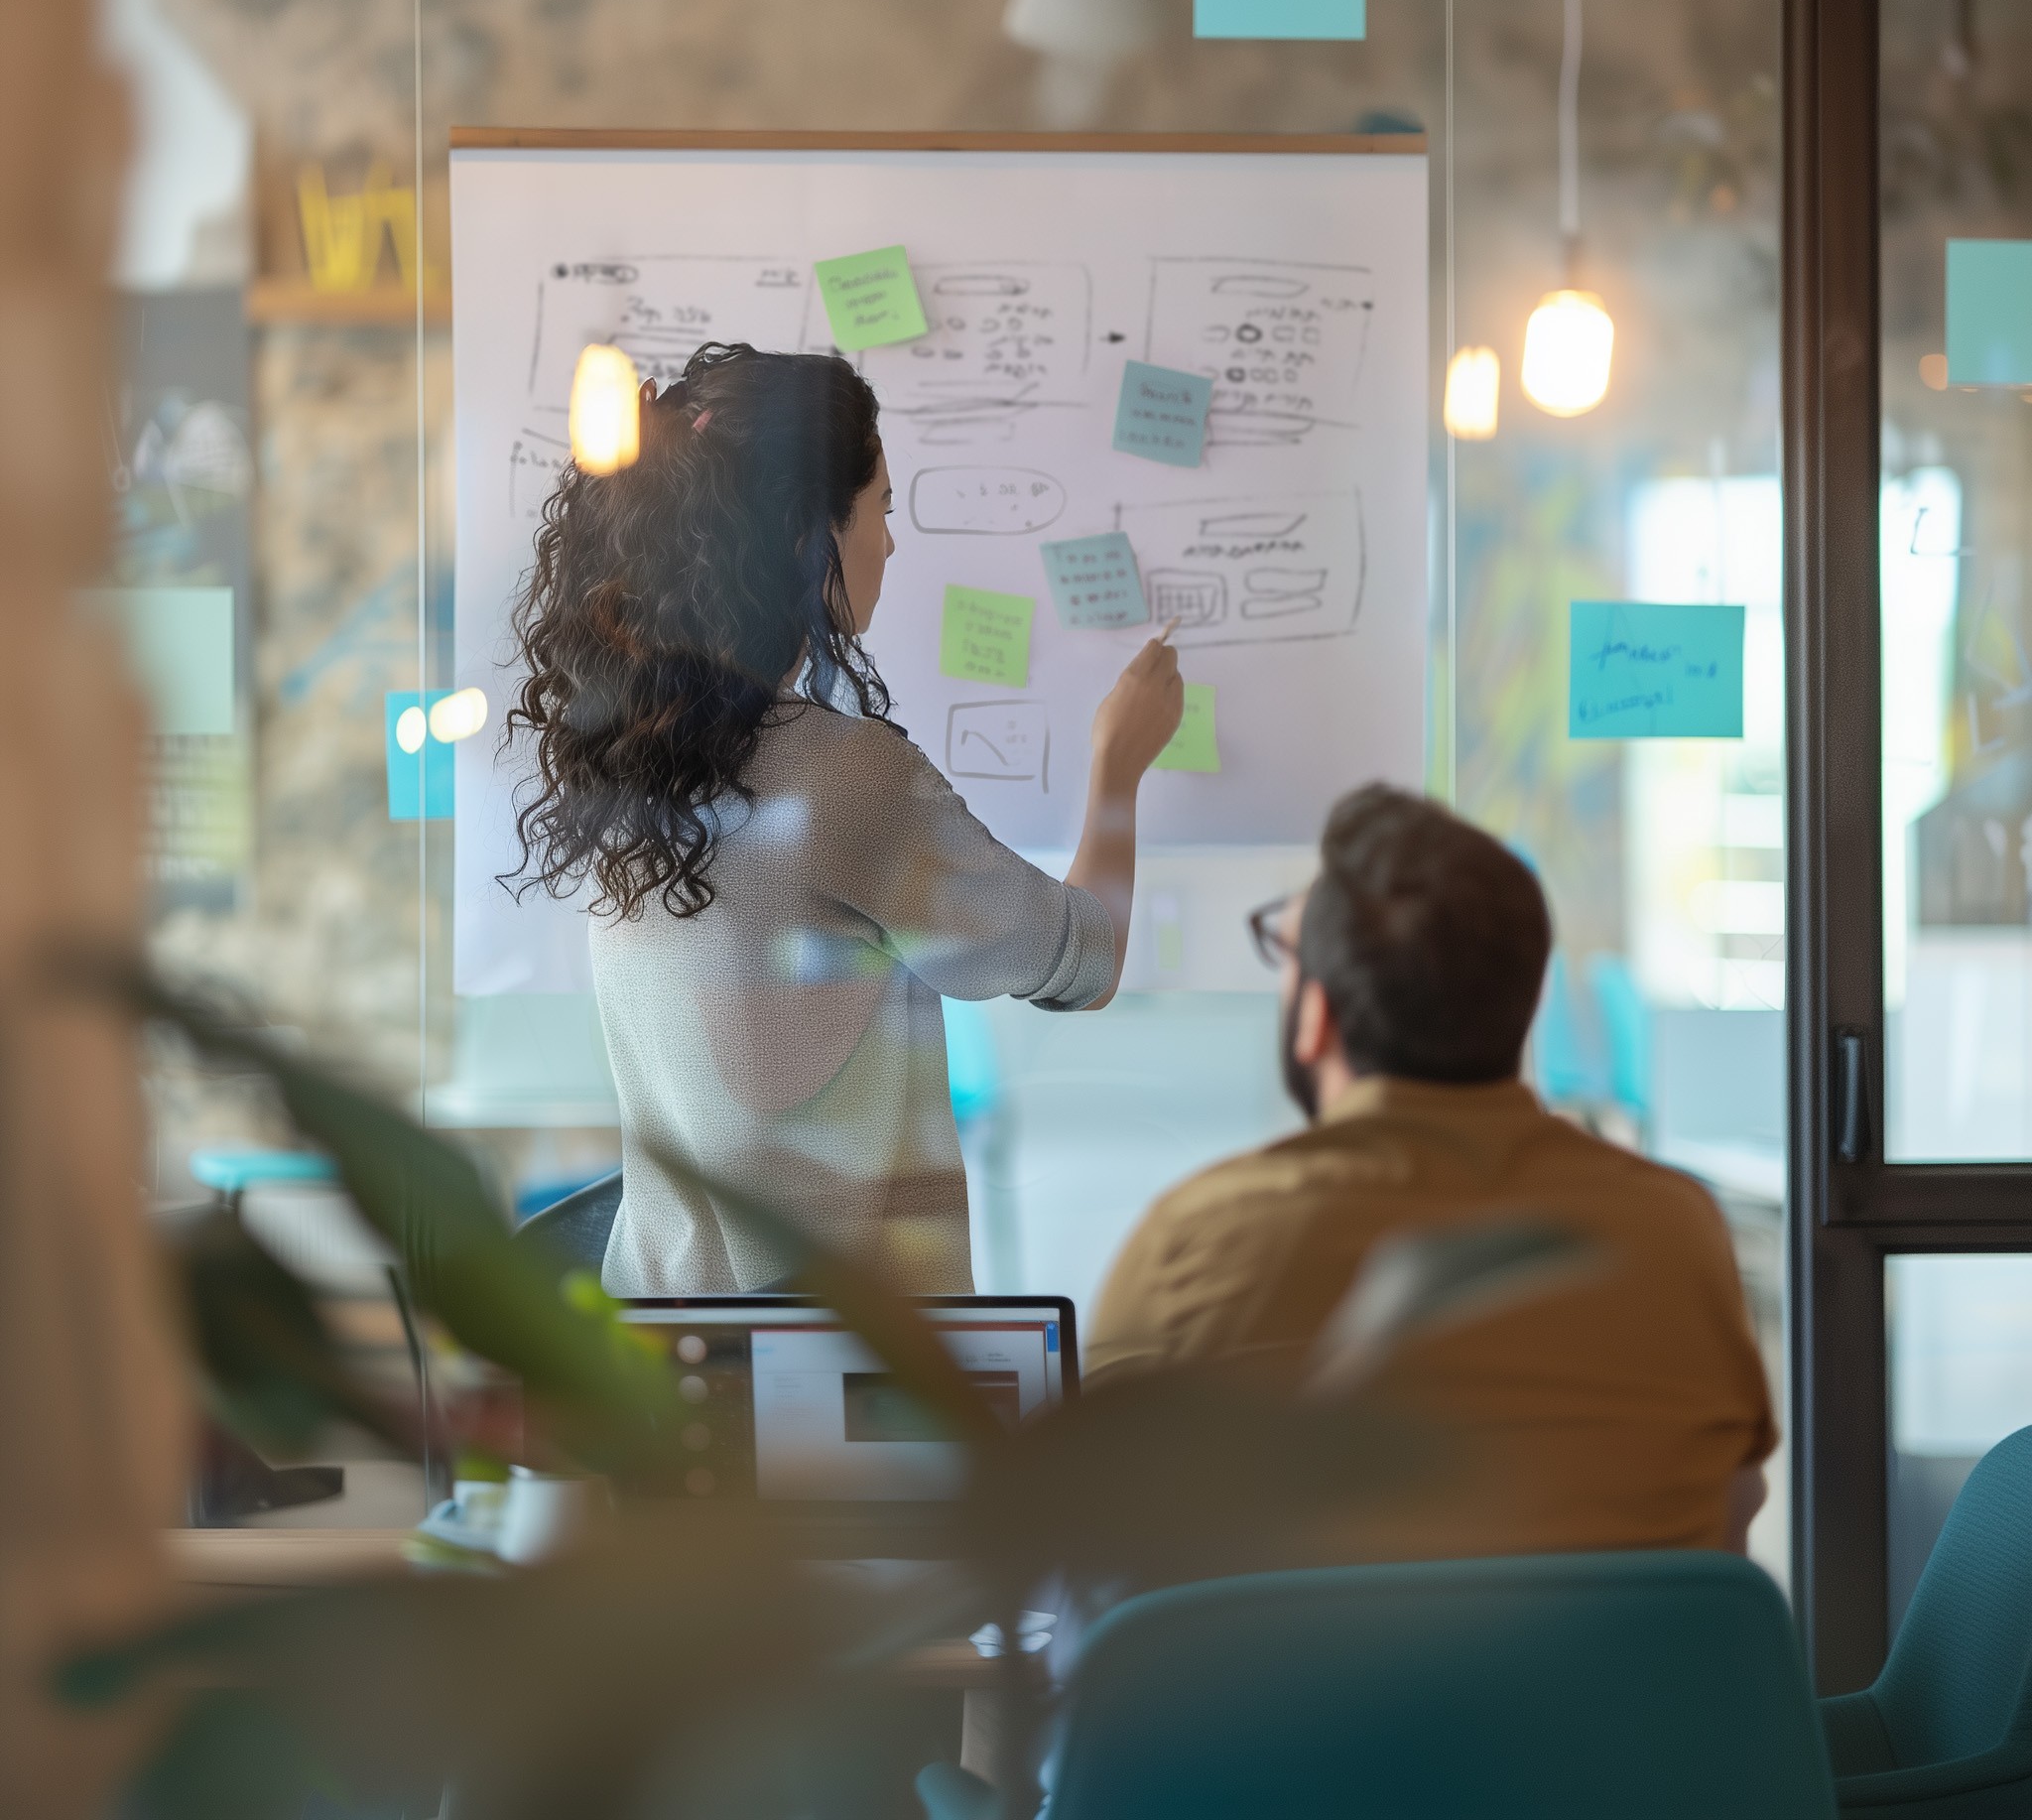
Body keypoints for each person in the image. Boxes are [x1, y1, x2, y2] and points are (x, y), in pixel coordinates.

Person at [503, 340, 1184, 1295]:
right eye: (882, 508)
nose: (892, 542)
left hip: (665, 1355)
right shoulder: (842, 779)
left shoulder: (629, 769)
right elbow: (1086, 960)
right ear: (804, 535)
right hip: (834, 1387)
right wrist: (1119, 764)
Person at [1085, 783, 1777, 1561]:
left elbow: (1103, 1563)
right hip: (1618, 1685)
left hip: (1310, 1686)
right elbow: (1727, 1523)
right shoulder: (1675, 1234)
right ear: (1518, 1008)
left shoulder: (1197, 1241)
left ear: (1317, 1016)